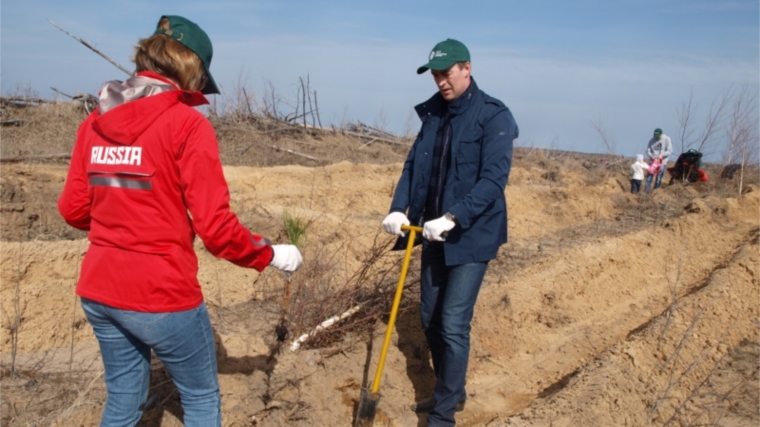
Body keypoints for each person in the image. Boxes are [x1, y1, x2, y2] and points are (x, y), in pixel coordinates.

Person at [57, 16, 302, 426]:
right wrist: (271, 254)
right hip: (161, 292)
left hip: (99, 288)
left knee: (122, 399)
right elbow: (217, 230)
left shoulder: (94, 123)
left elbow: (73, 209)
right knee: (201, 398)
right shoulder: (187, 125)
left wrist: (121, 224)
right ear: (192, 70)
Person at [381, 39, 518, 427]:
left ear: (466, 69)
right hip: (430, 231)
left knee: (454, 321)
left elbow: (494, 181)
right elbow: (413, 167)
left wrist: (454, 217)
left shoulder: (494, 116)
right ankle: (451, 391)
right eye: (436, 75)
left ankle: (443, 416)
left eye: (447, 73)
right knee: (429, 317)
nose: (441, 81)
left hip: (472, 234)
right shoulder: (434, 116)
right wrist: (398, 207)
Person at [645, 128, 672, 192]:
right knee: (649, 177)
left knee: (659, 177)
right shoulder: (651, 140)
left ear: (661, 134)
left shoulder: (666, 139)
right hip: (653, 162)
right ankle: (646, 191)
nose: (656, 138)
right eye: (655, 136)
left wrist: (662, 155)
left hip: (662, 162)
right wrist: (651, 156)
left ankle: (656, 191)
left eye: (658, 136)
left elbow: (669, 150)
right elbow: (648, 150)